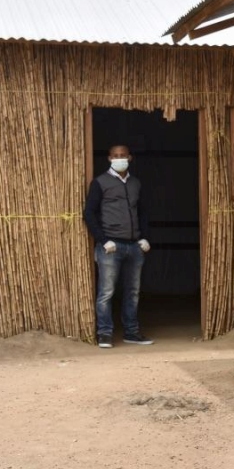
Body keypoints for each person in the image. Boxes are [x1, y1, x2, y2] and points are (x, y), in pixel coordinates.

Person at [83, 144, 153, 348]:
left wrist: (145, 238)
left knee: (133, 291)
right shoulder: (99, 183)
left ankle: (131, 332)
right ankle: (104, 333)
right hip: (110, 247)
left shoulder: (135, 183)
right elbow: (89, 213)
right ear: (109, 158)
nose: (119, 158)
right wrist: (103, 240)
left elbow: (143, 212)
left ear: (130, 158)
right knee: (106, 291)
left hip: (135, 246)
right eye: (115, 156)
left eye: (123, 155)